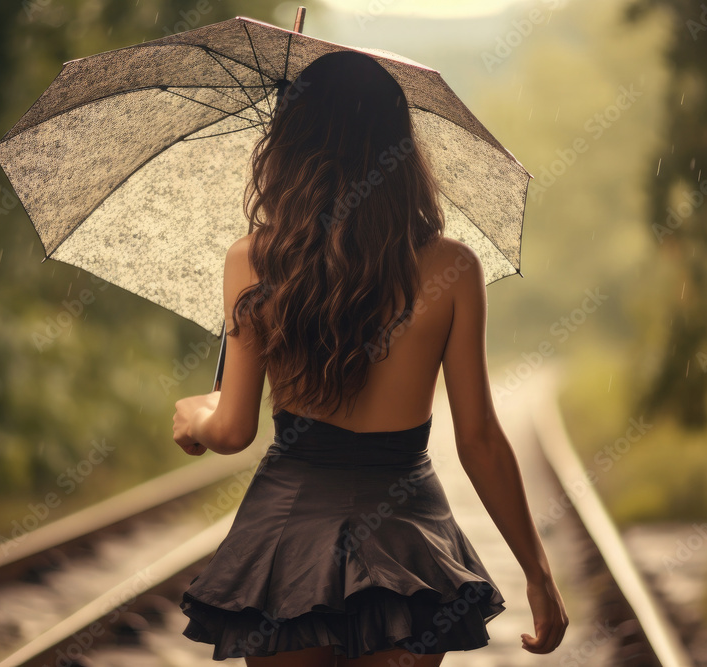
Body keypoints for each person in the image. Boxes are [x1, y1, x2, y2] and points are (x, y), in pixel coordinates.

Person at [172, 49, 567, 666]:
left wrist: (194, 415)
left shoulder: (254, 260)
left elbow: (232, 429)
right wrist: (537, 573)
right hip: (406, 539)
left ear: (290, 144)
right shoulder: (452, 268)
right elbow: (481, 440)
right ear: (400, 150)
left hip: (286, 539)